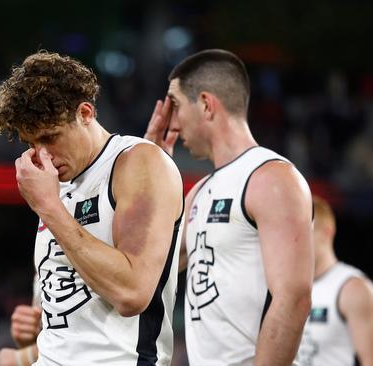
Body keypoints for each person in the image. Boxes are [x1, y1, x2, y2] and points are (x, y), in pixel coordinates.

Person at [0, 50, 184, 366]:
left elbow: (132, 293)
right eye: (30, 144)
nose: (42, 156)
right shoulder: (57, 183)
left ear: (85, 113)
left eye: (50, 138)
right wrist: (28, 345)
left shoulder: (138, 163)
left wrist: (49, 207)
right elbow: (72, 319)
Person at [144, 49, 314, 365]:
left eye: (177, 106)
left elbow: (294, 298)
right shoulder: (201, 192)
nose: (172, 122)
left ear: (207, 105)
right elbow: (149, 268)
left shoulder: (272, 178)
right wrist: (147, 170)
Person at [297, 196, 373, 366]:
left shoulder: (352, 288)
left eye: (305, 231)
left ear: (327, 232)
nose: (297, 240)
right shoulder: (283, 287)